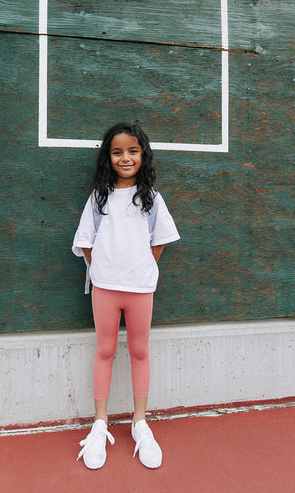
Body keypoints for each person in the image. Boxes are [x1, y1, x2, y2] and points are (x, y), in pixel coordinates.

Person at [72, 122, 180, 470]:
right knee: (104, 350)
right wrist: (102, 269)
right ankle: (100, 423)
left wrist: (144, 268)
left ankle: (140, 423)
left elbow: (159, 238)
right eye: (117, 151)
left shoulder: (151, 198)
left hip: (140, 288)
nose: (125, 157)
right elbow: (86, 241)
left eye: (132, 151)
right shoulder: (99, 197)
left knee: (139, 350)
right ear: (108, 157)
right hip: (105, 287)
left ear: (142, 155)